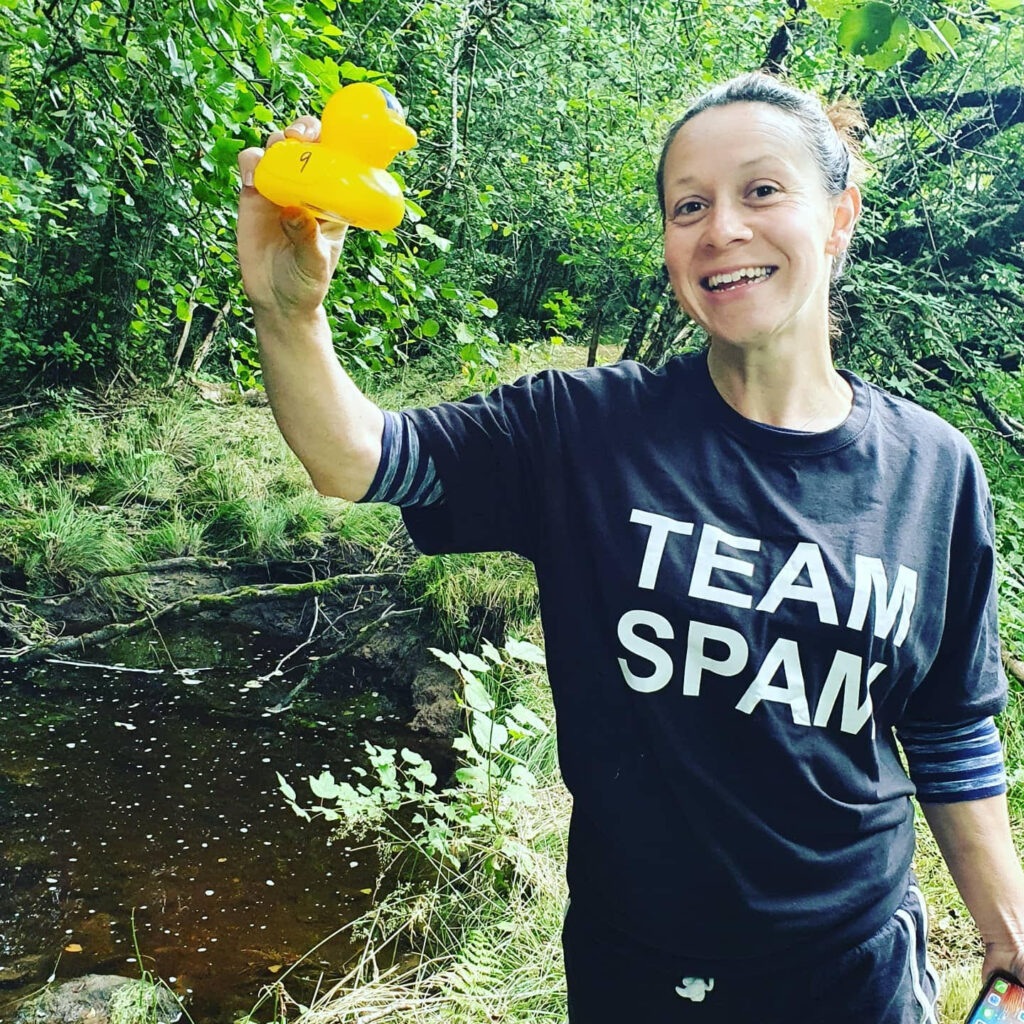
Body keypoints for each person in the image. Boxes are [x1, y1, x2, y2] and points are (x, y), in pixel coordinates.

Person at [237, 71, 1024, 1022]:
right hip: (642, 976)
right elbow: (357, 458)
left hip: (857, 973)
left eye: (761, 191)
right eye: (689, 206)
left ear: (838, 217)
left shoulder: (934, 469)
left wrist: (1008, 932)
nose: (722, 228)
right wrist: (289, 313)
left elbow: (948, 727)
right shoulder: (581, 429)